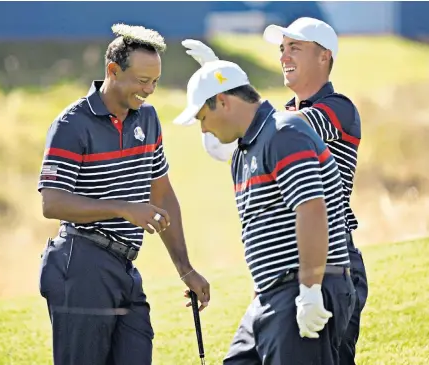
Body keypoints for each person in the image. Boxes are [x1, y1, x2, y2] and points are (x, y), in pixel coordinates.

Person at [183, 16, 368, 365]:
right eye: (282, 49)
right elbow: (227, 145)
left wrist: (228, 84)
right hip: (288, 264)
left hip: (330, 259)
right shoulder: (278, 121)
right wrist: (216, 94)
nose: (284, 56)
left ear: (324, 56)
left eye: (295, 48)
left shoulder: (336, 108)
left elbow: (275, 126)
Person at [37, 23, 210, 365]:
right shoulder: (72, 124)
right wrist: (124, 209)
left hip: (124, 267)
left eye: (155, 82)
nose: (149, 90)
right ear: (112, 71)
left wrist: (185, 268)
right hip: (80, 262)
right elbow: (52, 202)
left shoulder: (148, 118)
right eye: (142, 81)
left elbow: (161, 193)